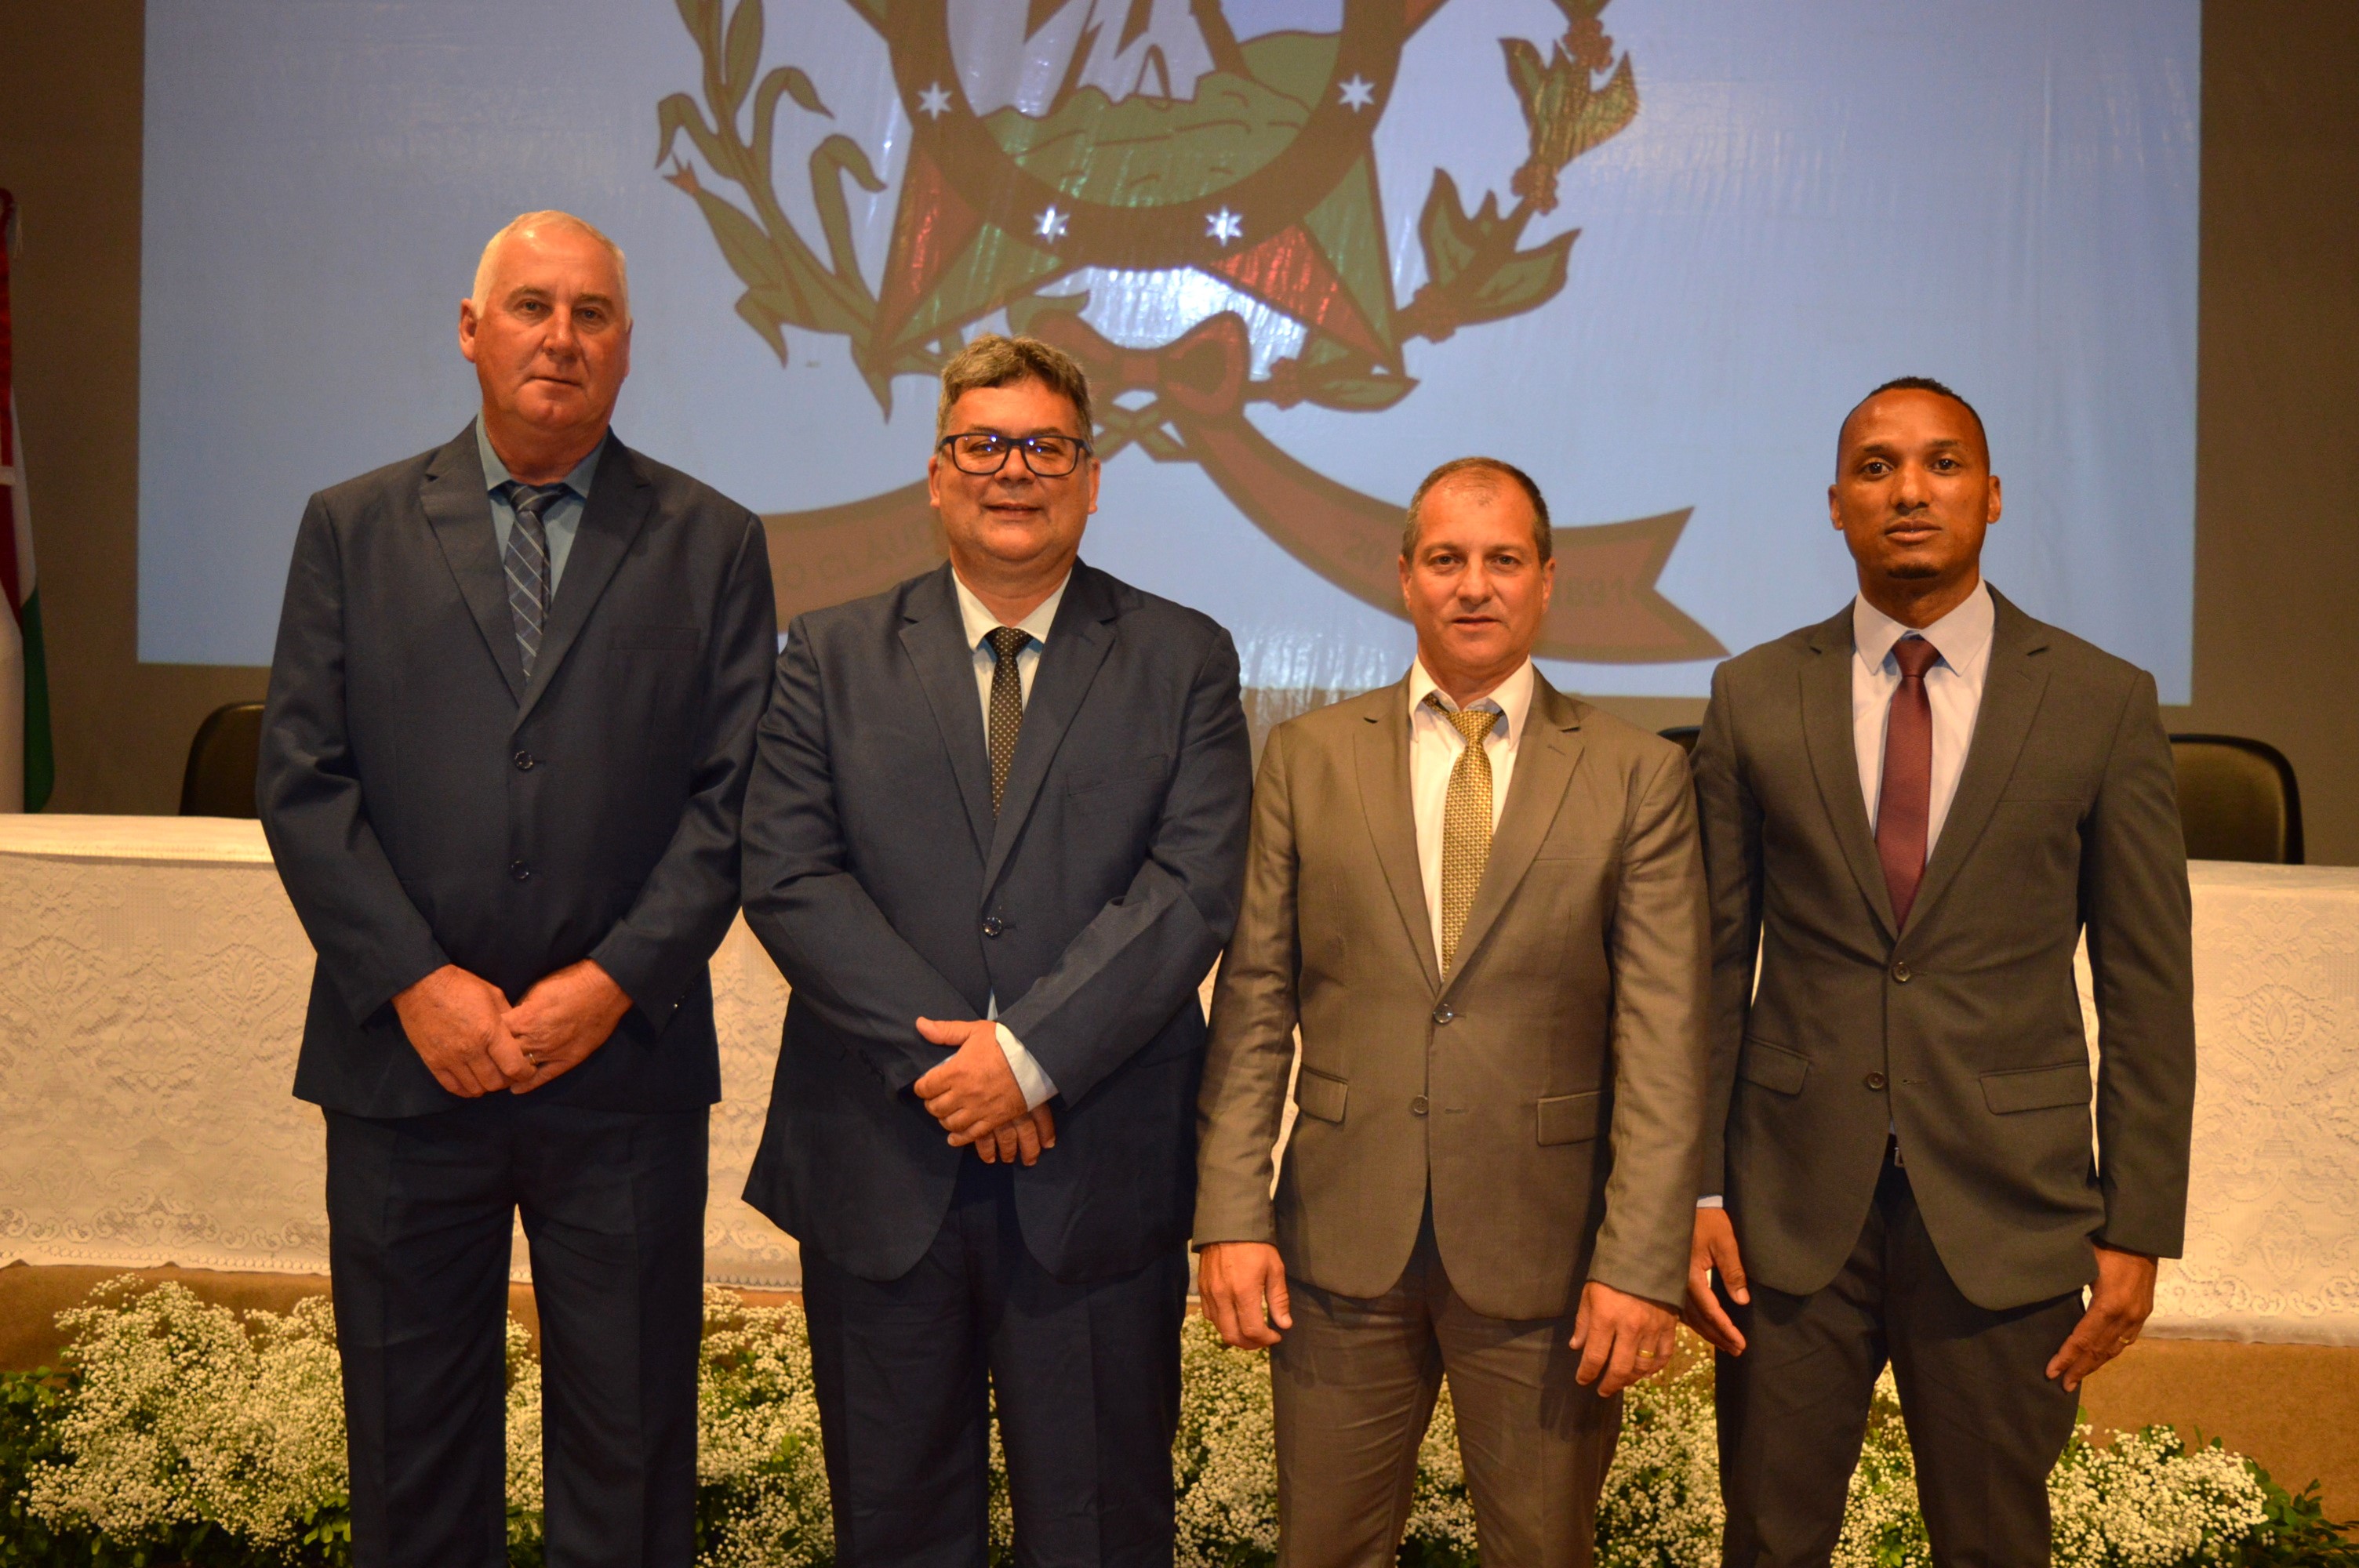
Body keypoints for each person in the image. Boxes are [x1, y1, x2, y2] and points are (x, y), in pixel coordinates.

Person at [257, 211, 776, 1568]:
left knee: (632, 1452)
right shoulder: (353, 528)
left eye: (592, 313)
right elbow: (302, 782)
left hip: (622, 1068)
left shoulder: (713, 541)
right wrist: (418, 984)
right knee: (410, 1451)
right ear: (471, 329)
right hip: (405, 1065)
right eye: (533, 307)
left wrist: (610, 985)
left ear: (627, 346)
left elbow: (733, 802)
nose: (562, 337)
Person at [737, 334, 1252, 1566]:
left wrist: (1027, 1060)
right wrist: (959, 1069)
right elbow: (790, 877)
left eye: (1046, 448)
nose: (1013, 470)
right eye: (983, 444)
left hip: (1096, 1171)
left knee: (1100, 1535)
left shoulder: (1183, 658)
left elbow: (1190, 890)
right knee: (896, 1533)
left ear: (1091, 479)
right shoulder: (828, 654)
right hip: (880, 1167)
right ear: (936, 474)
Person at [1684, 378, 2196, 1567]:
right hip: (1786, 1212)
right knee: (1768, 1541)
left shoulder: (2102, 701)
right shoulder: (1753, 695)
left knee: (1996, 1543)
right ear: (1835, 505)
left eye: (1943, 463)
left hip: (2008, 1209)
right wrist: (1695, 1191)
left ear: (1994, 495)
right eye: (1876, 467)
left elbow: (2147, 991)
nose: (1909, 490)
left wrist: (2139, 1225)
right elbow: (1707, 970)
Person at [1194, 458, 1711, 1568]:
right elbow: (1254, 1005)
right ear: (1404, 577)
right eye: (1446, 559)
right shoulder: (1305, 758)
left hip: (1551, 1259)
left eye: (1503, 560)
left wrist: (1639, 1260)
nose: (1474, 585)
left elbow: (1666, 1044)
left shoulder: (1637, 776)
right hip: (1338, 1247)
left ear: (1547, 581)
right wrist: (1231, 1213)